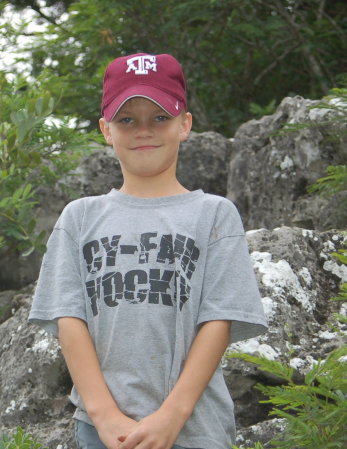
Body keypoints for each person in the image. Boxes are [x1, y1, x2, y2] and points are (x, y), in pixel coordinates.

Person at [29, 53, 267, 449]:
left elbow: (219, 321)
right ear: (106, 129)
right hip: (100, 431)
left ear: (184, 124)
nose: (144, 130)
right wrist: (105, 417)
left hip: (196, 429)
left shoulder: (214, 215)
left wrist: (172, 417)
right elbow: (68, 319)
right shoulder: (79, 218)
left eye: (159, 117)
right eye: (127, 120)